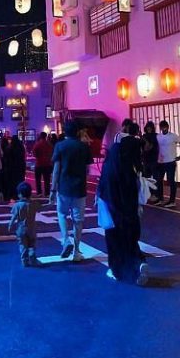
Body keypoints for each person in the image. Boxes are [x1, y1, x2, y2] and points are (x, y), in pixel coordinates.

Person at [97, 133, 148, 284]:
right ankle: (139, 263)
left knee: (114, 243)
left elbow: (104, 190)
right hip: (130, 212)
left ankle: (116, 271)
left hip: (113, 213)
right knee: (131, 241)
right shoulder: (131, 168)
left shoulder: (110, 166)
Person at [51, 120, 92, 262]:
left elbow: (56, 170)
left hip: (63, 187)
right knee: (78, 221)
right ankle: (76, 251)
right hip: (79, 188)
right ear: (77, 132)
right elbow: (87, 170)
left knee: (62, 214)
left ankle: (66, 240)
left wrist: (53, 189)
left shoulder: (59, 146)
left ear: (64, 131)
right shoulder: (84, 147)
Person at [156, 120, 180, 208]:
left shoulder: (173, 136)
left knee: (171, 181)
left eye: (165, 127)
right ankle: (160, 199)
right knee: (159, 180)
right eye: (162, 127)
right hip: (161, 162)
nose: (164, 129)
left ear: (168, 127)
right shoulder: (158, 136)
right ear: (160, 128)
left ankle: (172, 201)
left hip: (170, 162)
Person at [8, 182, 40, 267]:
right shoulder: (33, 204)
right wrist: (51, 203)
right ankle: (32, 252)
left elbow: (14, 216)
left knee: (23, 245)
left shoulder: (17, 205)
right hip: (31, 228)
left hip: (21, 229)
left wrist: (10, 225)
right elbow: (43, 207)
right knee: (32, 243)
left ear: (20, 194)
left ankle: (24, 260)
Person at [3, 135, 27, 202]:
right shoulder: (21, 147)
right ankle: (21, 193)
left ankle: (13, 194)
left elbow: (6, 158)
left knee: (12, 182)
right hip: (20, 166)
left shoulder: (9, 148)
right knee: (20, 181)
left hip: (11, 168)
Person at [141, 122, 161, 202]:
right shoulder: (144, 136)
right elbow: (143, 148)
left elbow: (149, 147)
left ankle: (156, 195)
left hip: (154, 159)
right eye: (148, 127)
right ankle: (149, 194)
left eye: (150, 127)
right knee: (147, 178)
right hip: (146, 160)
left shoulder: (155, 136)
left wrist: (144, 139)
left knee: (156, 178)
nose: (149, 128)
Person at [32, 132, 53, 196]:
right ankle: (47, 193)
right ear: (46, 136)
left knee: (38, 180)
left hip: (39, 164)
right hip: (47, 164)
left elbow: (34, 154)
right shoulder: (49, 144)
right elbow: (52, 153)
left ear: (40, 136)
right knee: (47, 180)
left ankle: (39, 192)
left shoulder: (37, 144)